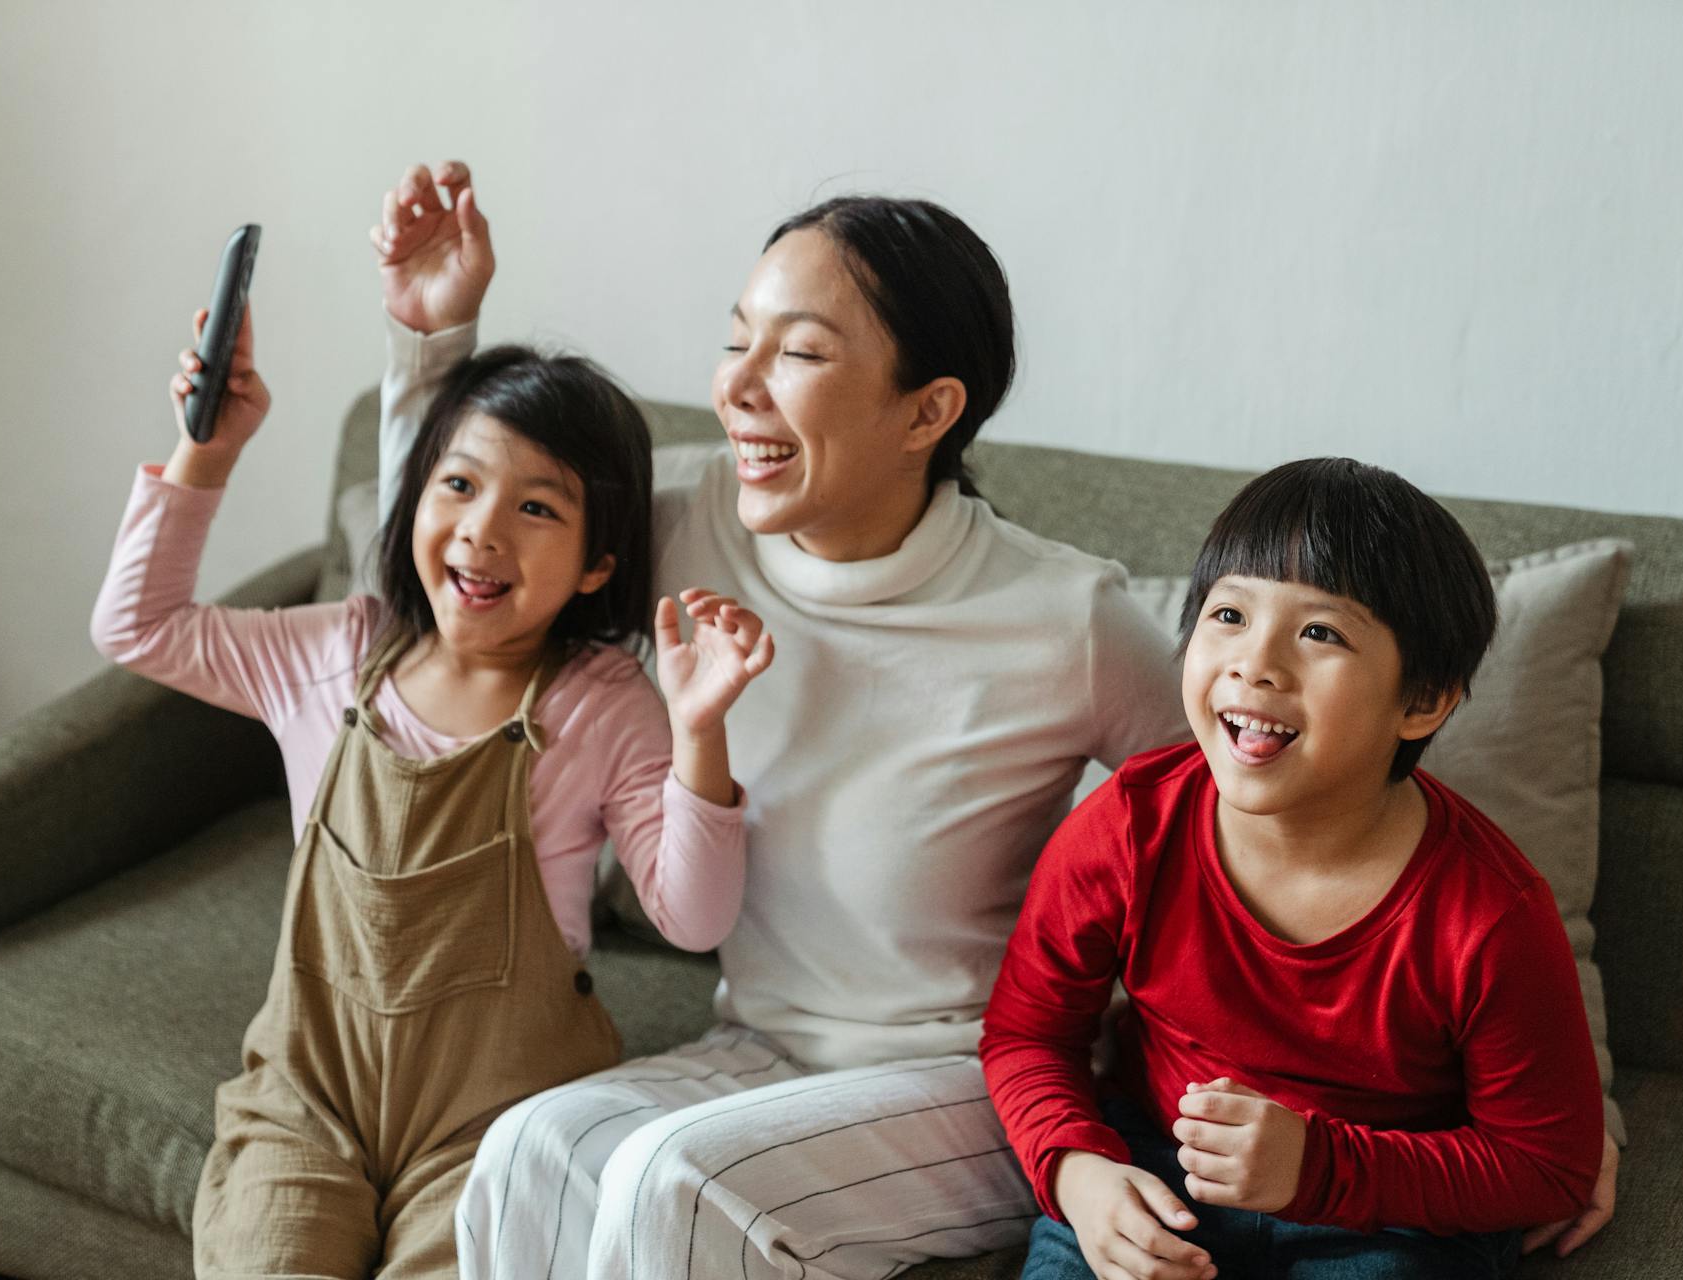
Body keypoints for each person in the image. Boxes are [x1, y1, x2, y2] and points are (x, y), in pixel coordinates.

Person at [371, 162, 1190, 1279]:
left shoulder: (1067, 616)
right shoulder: (690, 519)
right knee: (527, 1149)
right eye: (737, 339)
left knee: (681, 1182)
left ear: (928, 410)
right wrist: (433, 341)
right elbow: (462, 565)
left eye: (799, 352)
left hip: (967, 1077)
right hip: (756, 1045)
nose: (739, 386)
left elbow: (1243, 817)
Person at [90, 304, 774, 1278]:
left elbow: (695, 917)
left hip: (498, 1124)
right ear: (416, 502)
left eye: (539, 507)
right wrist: (208, 445)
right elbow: (137, 627)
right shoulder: (335, 651)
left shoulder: (600, 702)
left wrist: (700, 732)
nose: (485, 529)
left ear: (598, 564)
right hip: (305, 1102)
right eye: (459, 484)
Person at [980, 458, 1605, 1280]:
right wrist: (1077, 1171)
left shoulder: (1487, 914)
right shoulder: (1130, 827)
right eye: (1230, 613)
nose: (1255, 662)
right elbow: (1029, 1033)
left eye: (1320, 632)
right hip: (1155, 1167)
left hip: (1385, 1216)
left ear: (1421, 701)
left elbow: (1550, 1163)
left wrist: (1320, 1168)